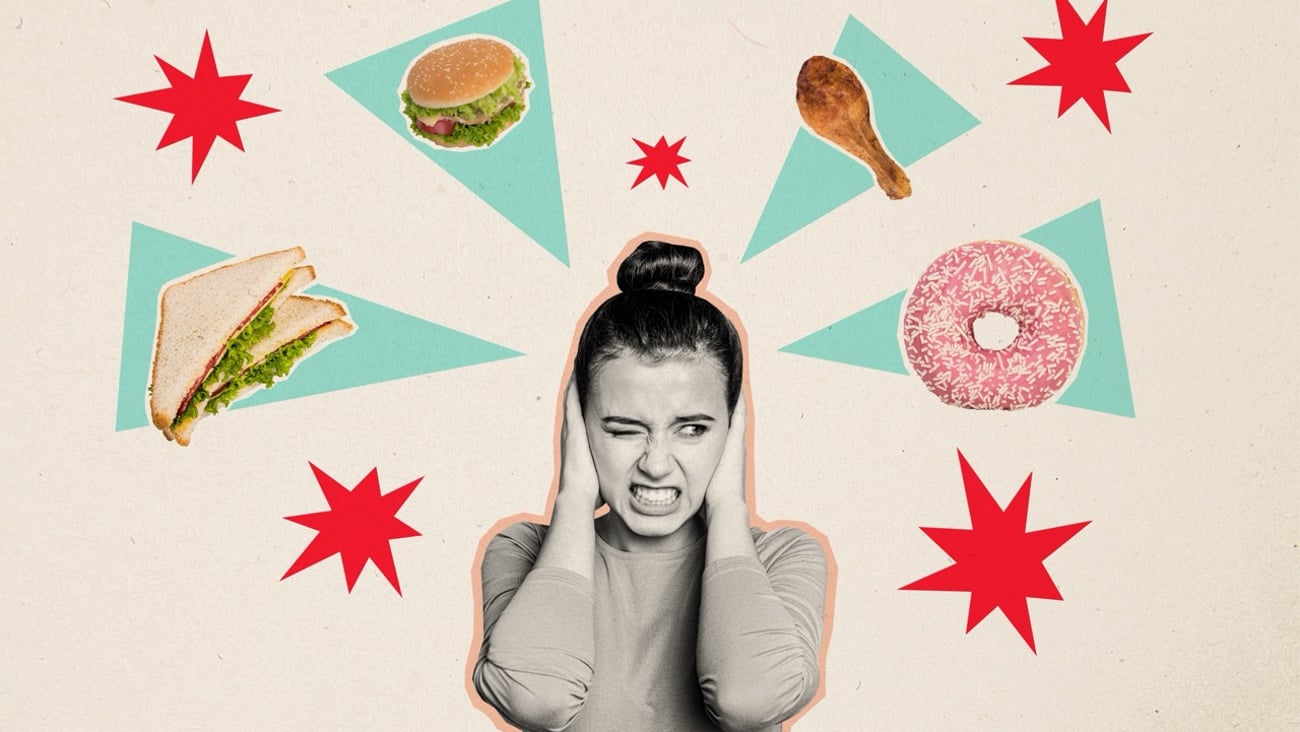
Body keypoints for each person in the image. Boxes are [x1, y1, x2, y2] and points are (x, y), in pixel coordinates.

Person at [472, 240, 830, 732]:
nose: (656, 465)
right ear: (578, 424)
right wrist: (574, 497)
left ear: (734, 427)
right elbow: (539, 698)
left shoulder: (784, 558)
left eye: (693, 428)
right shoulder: (522, 550)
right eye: (623, 428)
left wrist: (728, 502)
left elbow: (750, 699)